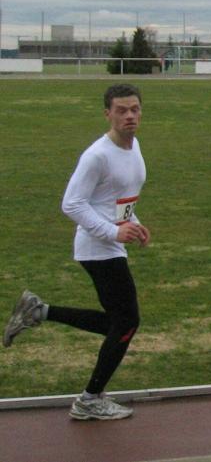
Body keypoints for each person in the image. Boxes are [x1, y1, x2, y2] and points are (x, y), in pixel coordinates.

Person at [3, 83, 149, 420]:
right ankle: (89, 400)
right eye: (121, 110)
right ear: (107, 114)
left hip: (112, 244)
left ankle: (39, 311)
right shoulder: (97, 155)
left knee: (118, 323)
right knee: (127, 322)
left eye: (135, 109)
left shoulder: (134, 146)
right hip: (97, 247)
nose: (129, 116)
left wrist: (134, 223)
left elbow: (116, 199)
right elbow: (72, 204)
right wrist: (113, 232)